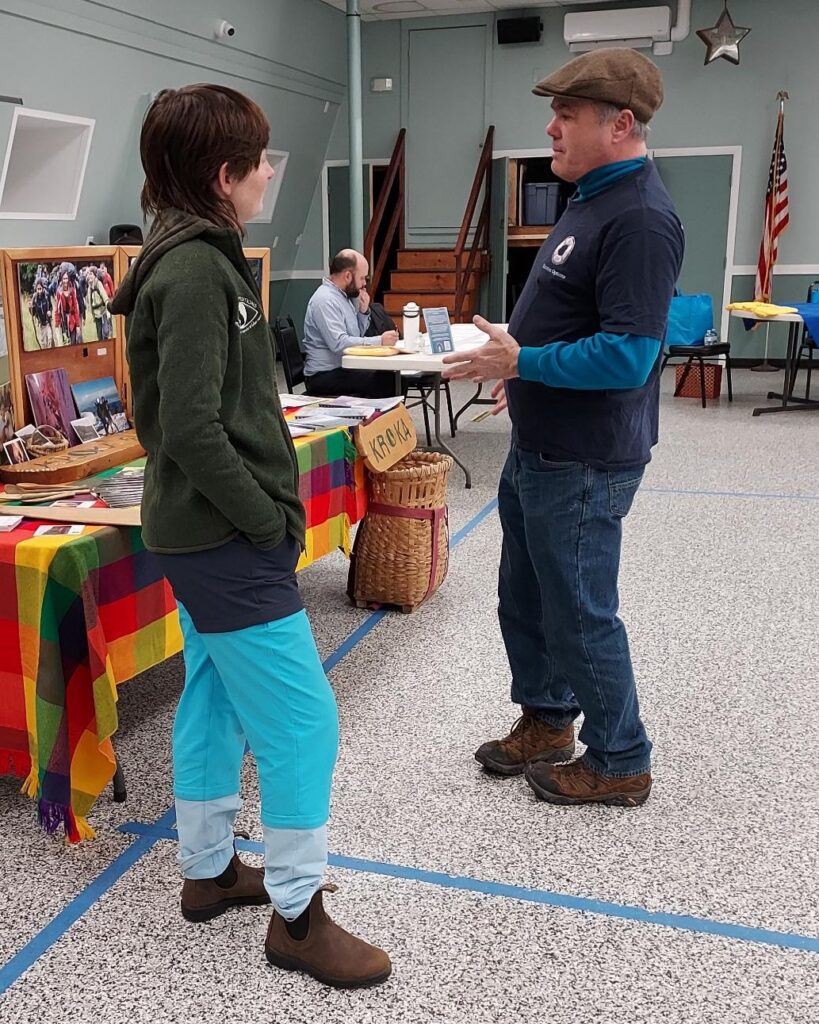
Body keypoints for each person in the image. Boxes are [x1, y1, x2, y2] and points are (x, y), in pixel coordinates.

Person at [110, 83, 391, 989]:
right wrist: (266, 516)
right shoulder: (194, 270)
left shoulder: (197, 254)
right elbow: (188, 427)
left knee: (213, 698)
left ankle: (206, 872)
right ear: (225, 175)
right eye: (260, 160)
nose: (270, 171)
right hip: (222, 537)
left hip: (202, 534)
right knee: (304, 722)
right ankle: (300, 918)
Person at [442, 48, 684, 807]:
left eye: (566, 116)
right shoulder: (589, 198)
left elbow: (628, 353)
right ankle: (547, 722)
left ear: (618, 124)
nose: (549, 128)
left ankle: (620, 760)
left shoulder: (640, 217)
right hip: (542, 444)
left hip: (583, 458)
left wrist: (526, 363)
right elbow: (570, 320)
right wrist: (516, 370)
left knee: (578, 609)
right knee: (526, 597)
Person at [302, 250, 400, 398]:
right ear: (347, 276)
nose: (364, 284)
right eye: (362, 278)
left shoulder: (342, 297)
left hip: (342, 368)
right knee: (387, 382)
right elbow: (339, 344)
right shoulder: (325, 300)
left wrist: (363, 312)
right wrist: (379, 341)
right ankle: (379, 419)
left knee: (392, 378)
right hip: (323, 375)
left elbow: (355, 337)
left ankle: (384, 419)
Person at [29, 281, 55, 349]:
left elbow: (51, 306)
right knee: (44, 343)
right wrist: (30, 308)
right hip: (41, 323)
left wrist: (50, 312)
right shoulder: (34, 298)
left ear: (43, 288)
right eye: (38, 289)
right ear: (36, 289)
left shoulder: (46, 296)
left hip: (47, 322)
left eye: (40, 289)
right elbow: (33, 313)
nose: (39, 291)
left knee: (50, 338)